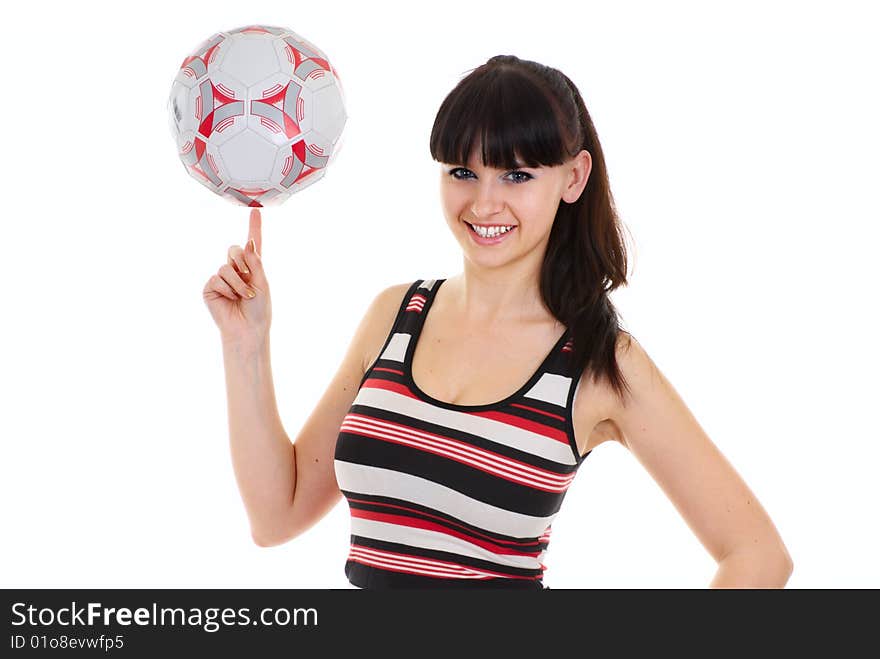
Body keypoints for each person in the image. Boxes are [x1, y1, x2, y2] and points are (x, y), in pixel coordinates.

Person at [203, 54, 793, 589]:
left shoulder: (599, 363)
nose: (483, 204)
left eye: (516, 175)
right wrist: (245, 342)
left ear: (574, 177)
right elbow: (277, 515)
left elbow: (757, 556)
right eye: (462, 172)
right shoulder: (395, 315)